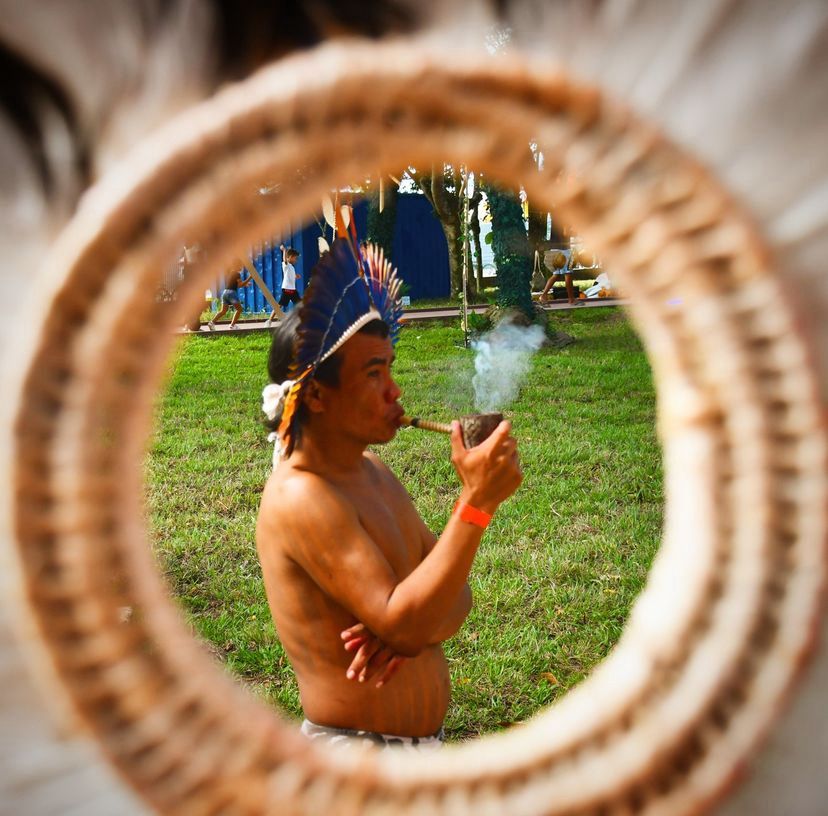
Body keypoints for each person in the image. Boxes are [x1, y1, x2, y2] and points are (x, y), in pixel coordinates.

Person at [256, 238, 522, 752]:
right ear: (315, 395)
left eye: (390, 369)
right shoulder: (300, 497)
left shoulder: (372, 471)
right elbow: (410, 617)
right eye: (374, 373)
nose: (394, 391)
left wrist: (409, 627)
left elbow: (455, 601)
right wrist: (476, 505)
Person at [266, 244, 302, 327]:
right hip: (287, 290)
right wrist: (284, 250)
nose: (296, 260)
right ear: (290, 257)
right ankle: (269, 320)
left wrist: (296, 276)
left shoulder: (292, 267)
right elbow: (285, 260)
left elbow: (290, 275)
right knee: (279, 305)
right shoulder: (286, 265)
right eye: (295, 258)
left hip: (293, 290)